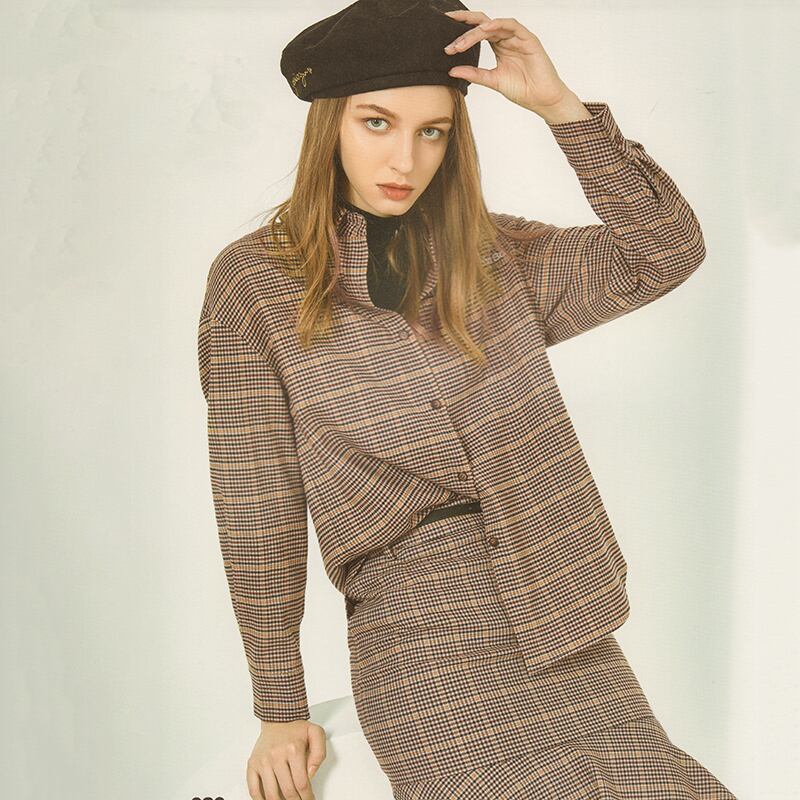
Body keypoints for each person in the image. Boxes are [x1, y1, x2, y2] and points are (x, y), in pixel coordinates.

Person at [197, 2, 738, 798]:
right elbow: (256, 498)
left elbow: (664, 252)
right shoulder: (256, 284)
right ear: (329, 125)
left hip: (562, 608)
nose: (405, 158)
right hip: (417, 632)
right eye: (377, 123)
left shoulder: (493, 256)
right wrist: (279, 704)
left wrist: (561, 108)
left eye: (433, 131)